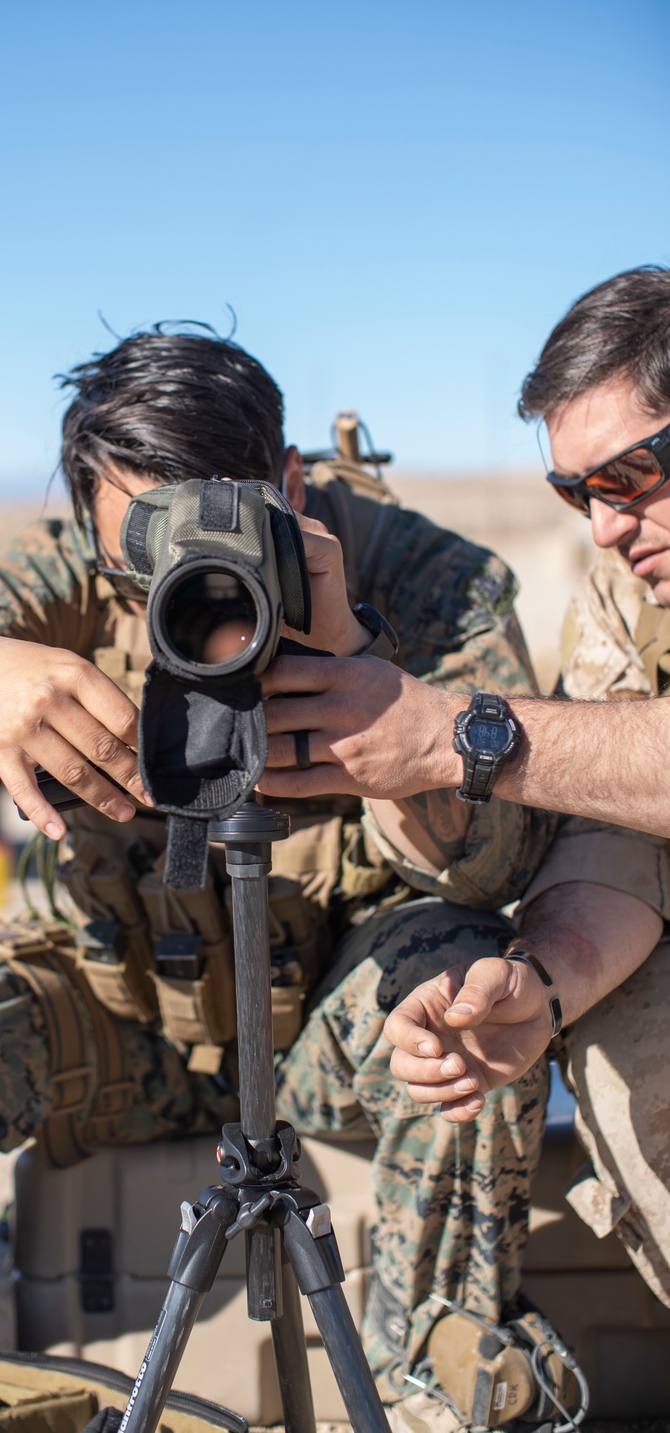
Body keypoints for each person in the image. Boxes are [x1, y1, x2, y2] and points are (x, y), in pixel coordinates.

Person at [0, 326, 654, 1428]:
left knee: (466, 1004)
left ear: (290, 483)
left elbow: (495, 864)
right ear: (87, 526)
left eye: (221, 529)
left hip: (332, 1020)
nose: (185, 577)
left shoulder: (425, 578)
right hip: (108, 1012)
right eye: (139, 550)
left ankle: (432, 1386)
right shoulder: (46, 581)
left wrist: (373, 688)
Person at [258, 266, 670, 1392]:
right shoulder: (630, 600)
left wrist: (457, 737)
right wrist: (540, 983)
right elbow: (615, 835)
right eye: (573, 492)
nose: (602, 526)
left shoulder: (439, 581)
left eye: (631, 475)